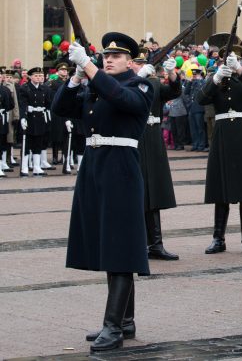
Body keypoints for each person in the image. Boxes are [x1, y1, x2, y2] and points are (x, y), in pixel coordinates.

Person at [51, 32, 153, 353]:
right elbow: (61, 110)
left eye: (117, 56)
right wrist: (76, 78)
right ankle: (125, 320)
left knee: (120, 247)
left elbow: (124, 101)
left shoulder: (140, 85)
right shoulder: (97, 85)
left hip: (120, 169)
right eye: (105, 56)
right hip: (95, 168)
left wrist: (92, 71)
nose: (109, 60)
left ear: (130, 62)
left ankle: (113, 326)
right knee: (107, 243)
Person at [196, 41, 242, 255]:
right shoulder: (216, 80)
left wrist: (240, 70)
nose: (230, 61)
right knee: (221, 189)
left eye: (233, 57)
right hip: (223, 133)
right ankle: (218, 238)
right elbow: (200, 99)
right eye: (225, 58)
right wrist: (215, 79)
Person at [129, 52, 182, 261]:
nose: (140, 66)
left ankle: (156, 244)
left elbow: (174, 91)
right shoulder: (126, 82)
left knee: (154, 193)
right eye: (137, 63)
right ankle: (137, 244)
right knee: (137, 194)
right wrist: (138, 78)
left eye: (143, 63)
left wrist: (171, 73)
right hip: (135, 136)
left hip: (153, 138)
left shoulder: (153, 82)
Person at [18, 67, 52, 176]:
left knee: (38, 142)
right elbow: (22, 104)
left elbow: (48, 103)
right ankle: (24, 167)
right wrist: (23, 117)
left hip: (40, 118)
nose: (38, 78)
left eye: (39, 75)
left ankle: (37, 167)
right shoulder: (25, 88)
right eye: (36, 76)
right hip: (29, 118)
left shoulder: (44, 89)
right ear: (30, 77)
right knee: (27, 143)